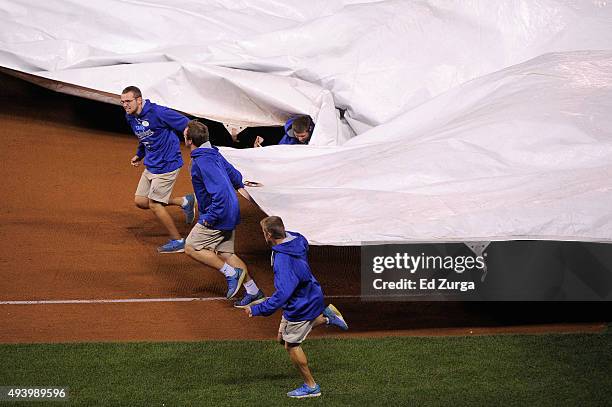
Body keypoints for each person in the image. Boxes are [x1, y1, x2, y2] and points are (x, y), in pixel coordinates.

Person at [244, 216, 348, 398]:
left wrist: (257, 309)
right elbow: (302, 244)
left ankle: (311, 386)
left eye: (263, 233)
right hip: (309, 293)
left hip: (301, 304)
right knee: (282, 338)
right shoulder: (295, 238)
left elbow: (283, 294)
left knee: (291, 345)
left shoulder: (283, 261)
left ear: (269, 235)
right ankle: (326, 316)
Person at [183, 120, 265, 305]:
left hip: (218, 213)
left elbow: (220, 193)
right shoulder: (213, 153)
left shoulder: (202, 161)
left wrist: (209, 218)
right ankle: (253, 292)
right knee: (226, 254)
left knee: (191, 247)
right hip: (230, 212)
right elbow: (236, 177)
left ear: (189, 140)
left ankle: (231, 274)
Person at [121, 86, 196, 254]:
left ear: (139, 100)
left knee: (155, 204)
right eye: (123, 102)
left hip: (168, 164)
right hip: (152, 163)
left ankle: (178, 241)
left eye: (128, 101)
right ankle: (184, 201)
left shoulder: (159, 112)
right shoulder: (130, 117)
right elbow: (144, 136)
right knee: (141, 201)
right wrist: (139, 154)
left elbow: (188, 124)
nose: (125, 105)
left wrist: (191, 145)